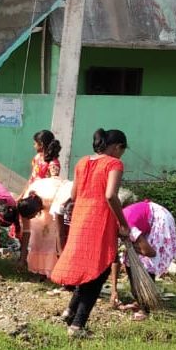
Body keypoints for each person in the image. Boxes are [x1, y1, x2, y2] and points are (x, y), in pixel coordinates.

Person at [50, 128, 130, 338]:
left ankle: (70, 311)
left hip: (80, 219)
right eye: (122, 150)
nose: (122, 154)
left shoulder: (83, 161)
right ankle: (77, 325)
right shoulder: (114, 164)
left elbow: (75, 194)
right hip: (100, 221)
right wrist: (123, 223)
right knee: (99, 270)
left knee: (88, 268)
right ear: (116, 147)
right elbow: (111, 195)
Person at [109, 195, 176, 320]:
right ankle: (140, 300)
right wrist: (114, 291)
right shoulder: (111, 230)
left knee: (145, 262)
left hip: (160, 218)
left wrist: (129, 246)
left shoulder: (126, 225)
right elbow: (115, 260)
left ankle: (145, 307)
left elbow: (150, 252)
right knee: (129, 259)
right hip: (145, 219)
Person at [16, 177, 66, 278]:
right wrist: (22, 258)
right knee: (37, 239)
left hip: (58, 205)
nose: (32, 218)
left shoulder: (50, 195)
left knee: (53, 239)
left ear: (37, 210)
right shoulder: (25, 204)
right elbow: (26, 231)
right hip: (43, 209)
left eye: (32, 216)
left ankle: (57, 270)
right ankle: (42, 271)